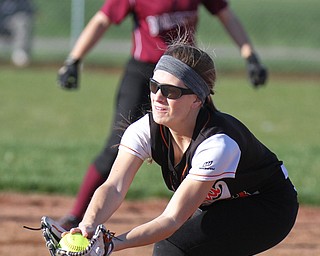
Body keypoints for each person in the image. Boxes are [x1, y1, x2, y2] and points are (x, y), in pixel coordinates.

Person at [67, 42, 298, 256]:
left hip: (267, 207)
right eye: (154, 86)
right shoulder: (146, 130)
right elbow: (114, 186)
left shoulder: (217, 144)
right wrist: (88, 225)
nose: (158, 97)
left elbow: (172, 219)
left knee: (172, 247)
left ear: (197, 99)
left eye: (171, 92)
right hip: (222, 204)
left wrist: (111, 244)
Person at [57, 0, 268, 229]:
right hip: (144, 74)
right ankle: (76, 216)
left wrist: (250, 55)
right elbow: (102, 19)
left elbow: (226, 15)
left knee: (203, 141)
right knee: (116, 146)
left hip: (186, 79)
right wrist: (74, 59)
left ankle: (213, 214)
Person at [0, 0, 35, 67]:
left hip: (13, 26)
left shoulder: (21, 2)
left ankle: (19, 53)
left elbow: (29, 12)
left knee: (21, 21)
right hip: (2, 25)